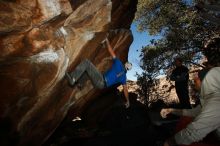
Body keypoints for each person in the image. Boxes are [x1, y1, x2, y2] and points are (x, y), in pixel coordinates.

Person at [161, 37, 220, 146]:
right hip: (178, 87)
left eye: (199, 76)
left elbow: (192, 133)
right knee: (185, 112)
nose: (194, 79)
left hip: (182, 87)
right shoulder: (209, 99)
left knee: (186, 101)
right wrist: (171, 110)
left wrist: (170, 142)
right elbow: (173, 78)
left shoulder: (216, 101)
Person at [65, 37, 132, 108]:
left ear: (125, 64)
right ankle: (80, 84)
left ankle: (73, 78)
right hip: (102, 85)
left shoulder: (118, 63)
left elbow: (110, 51)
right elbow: (125, 90)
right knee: (89, 72)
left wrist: (107, 40)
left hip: (101, 80)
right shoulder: (124, 77)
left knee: (86, 63)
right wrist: (128, 101)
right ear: (127, 69)